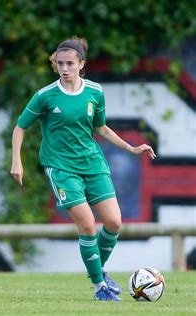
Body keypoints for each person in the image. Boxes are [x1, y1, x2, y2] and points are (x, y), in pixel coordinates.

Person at [10, 37, 156, 301]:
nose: (64, 68)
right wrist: (16, 160)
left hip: (93, 164)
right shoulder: (45, 96)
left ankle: (96, 271)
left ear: (81, 64)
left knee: (113, 222)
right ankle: (101, 287)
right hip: (61, 168)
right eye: (60, 63)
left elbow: (101, 128)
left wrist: (132, 148)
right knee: (88, 226)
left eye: (70, 63)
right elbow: (20, 127)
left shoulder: (95, 92)